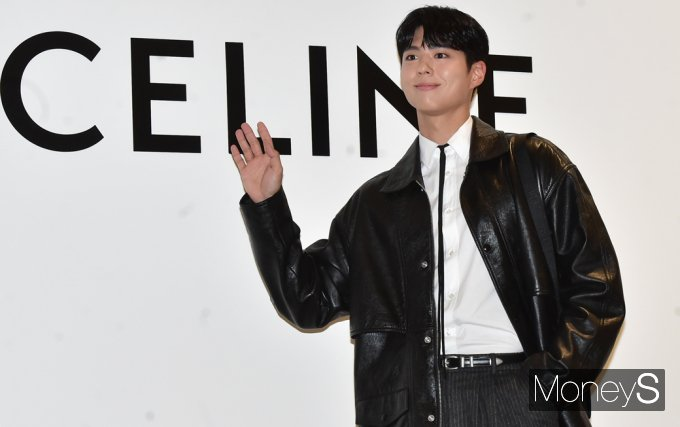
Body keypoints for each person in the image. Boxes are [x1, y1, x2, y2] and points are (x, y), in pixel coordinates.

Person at [230, 6, 624, 427]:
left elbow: (598, 290)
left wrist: (551, 388)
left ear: (476, 73)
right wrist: (267, 204)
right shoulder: (375, 202)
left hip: (519, 396)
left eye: (440, 55)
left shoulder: (531, 164)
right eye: (412, 56)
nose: (423, 67)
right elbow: (307, 301)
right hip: (416, 406)